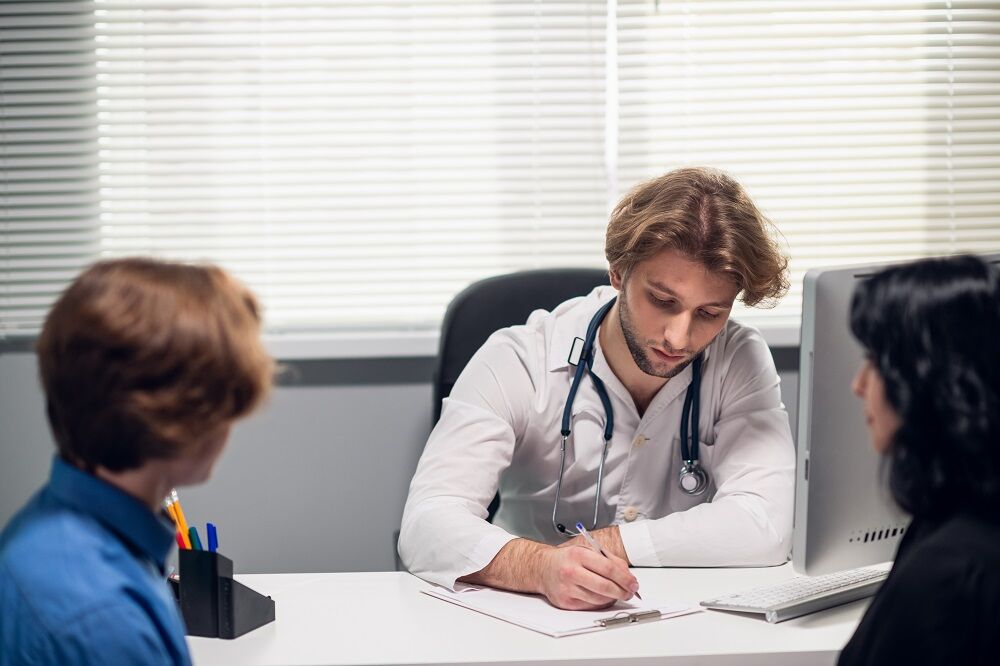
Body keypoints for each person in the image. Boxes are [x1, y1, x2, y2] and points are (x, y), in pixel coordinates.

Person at [399, 167, 796, 609]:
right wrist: (538, 566)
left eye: (709, 312)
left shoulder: (738, 358)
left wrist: (615, 544)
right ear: (619, 273)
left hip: (677, 616)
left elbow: (767, 522)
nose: (679, 338)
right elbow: (426, 523)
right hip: (527, 615)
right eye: (663, 301)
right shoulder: (519, 358)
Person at [0, 258, 274, 666]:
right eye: (226, 401)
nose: (231, 423)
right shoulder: (106, 622)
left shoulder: (46, 526)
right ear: (172, 417)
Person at [838, 255, 1000, 665]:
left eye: (874, 360)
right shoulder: (949, 525)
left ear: (924, 379)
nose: (858, 385)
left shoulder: (944, 575)